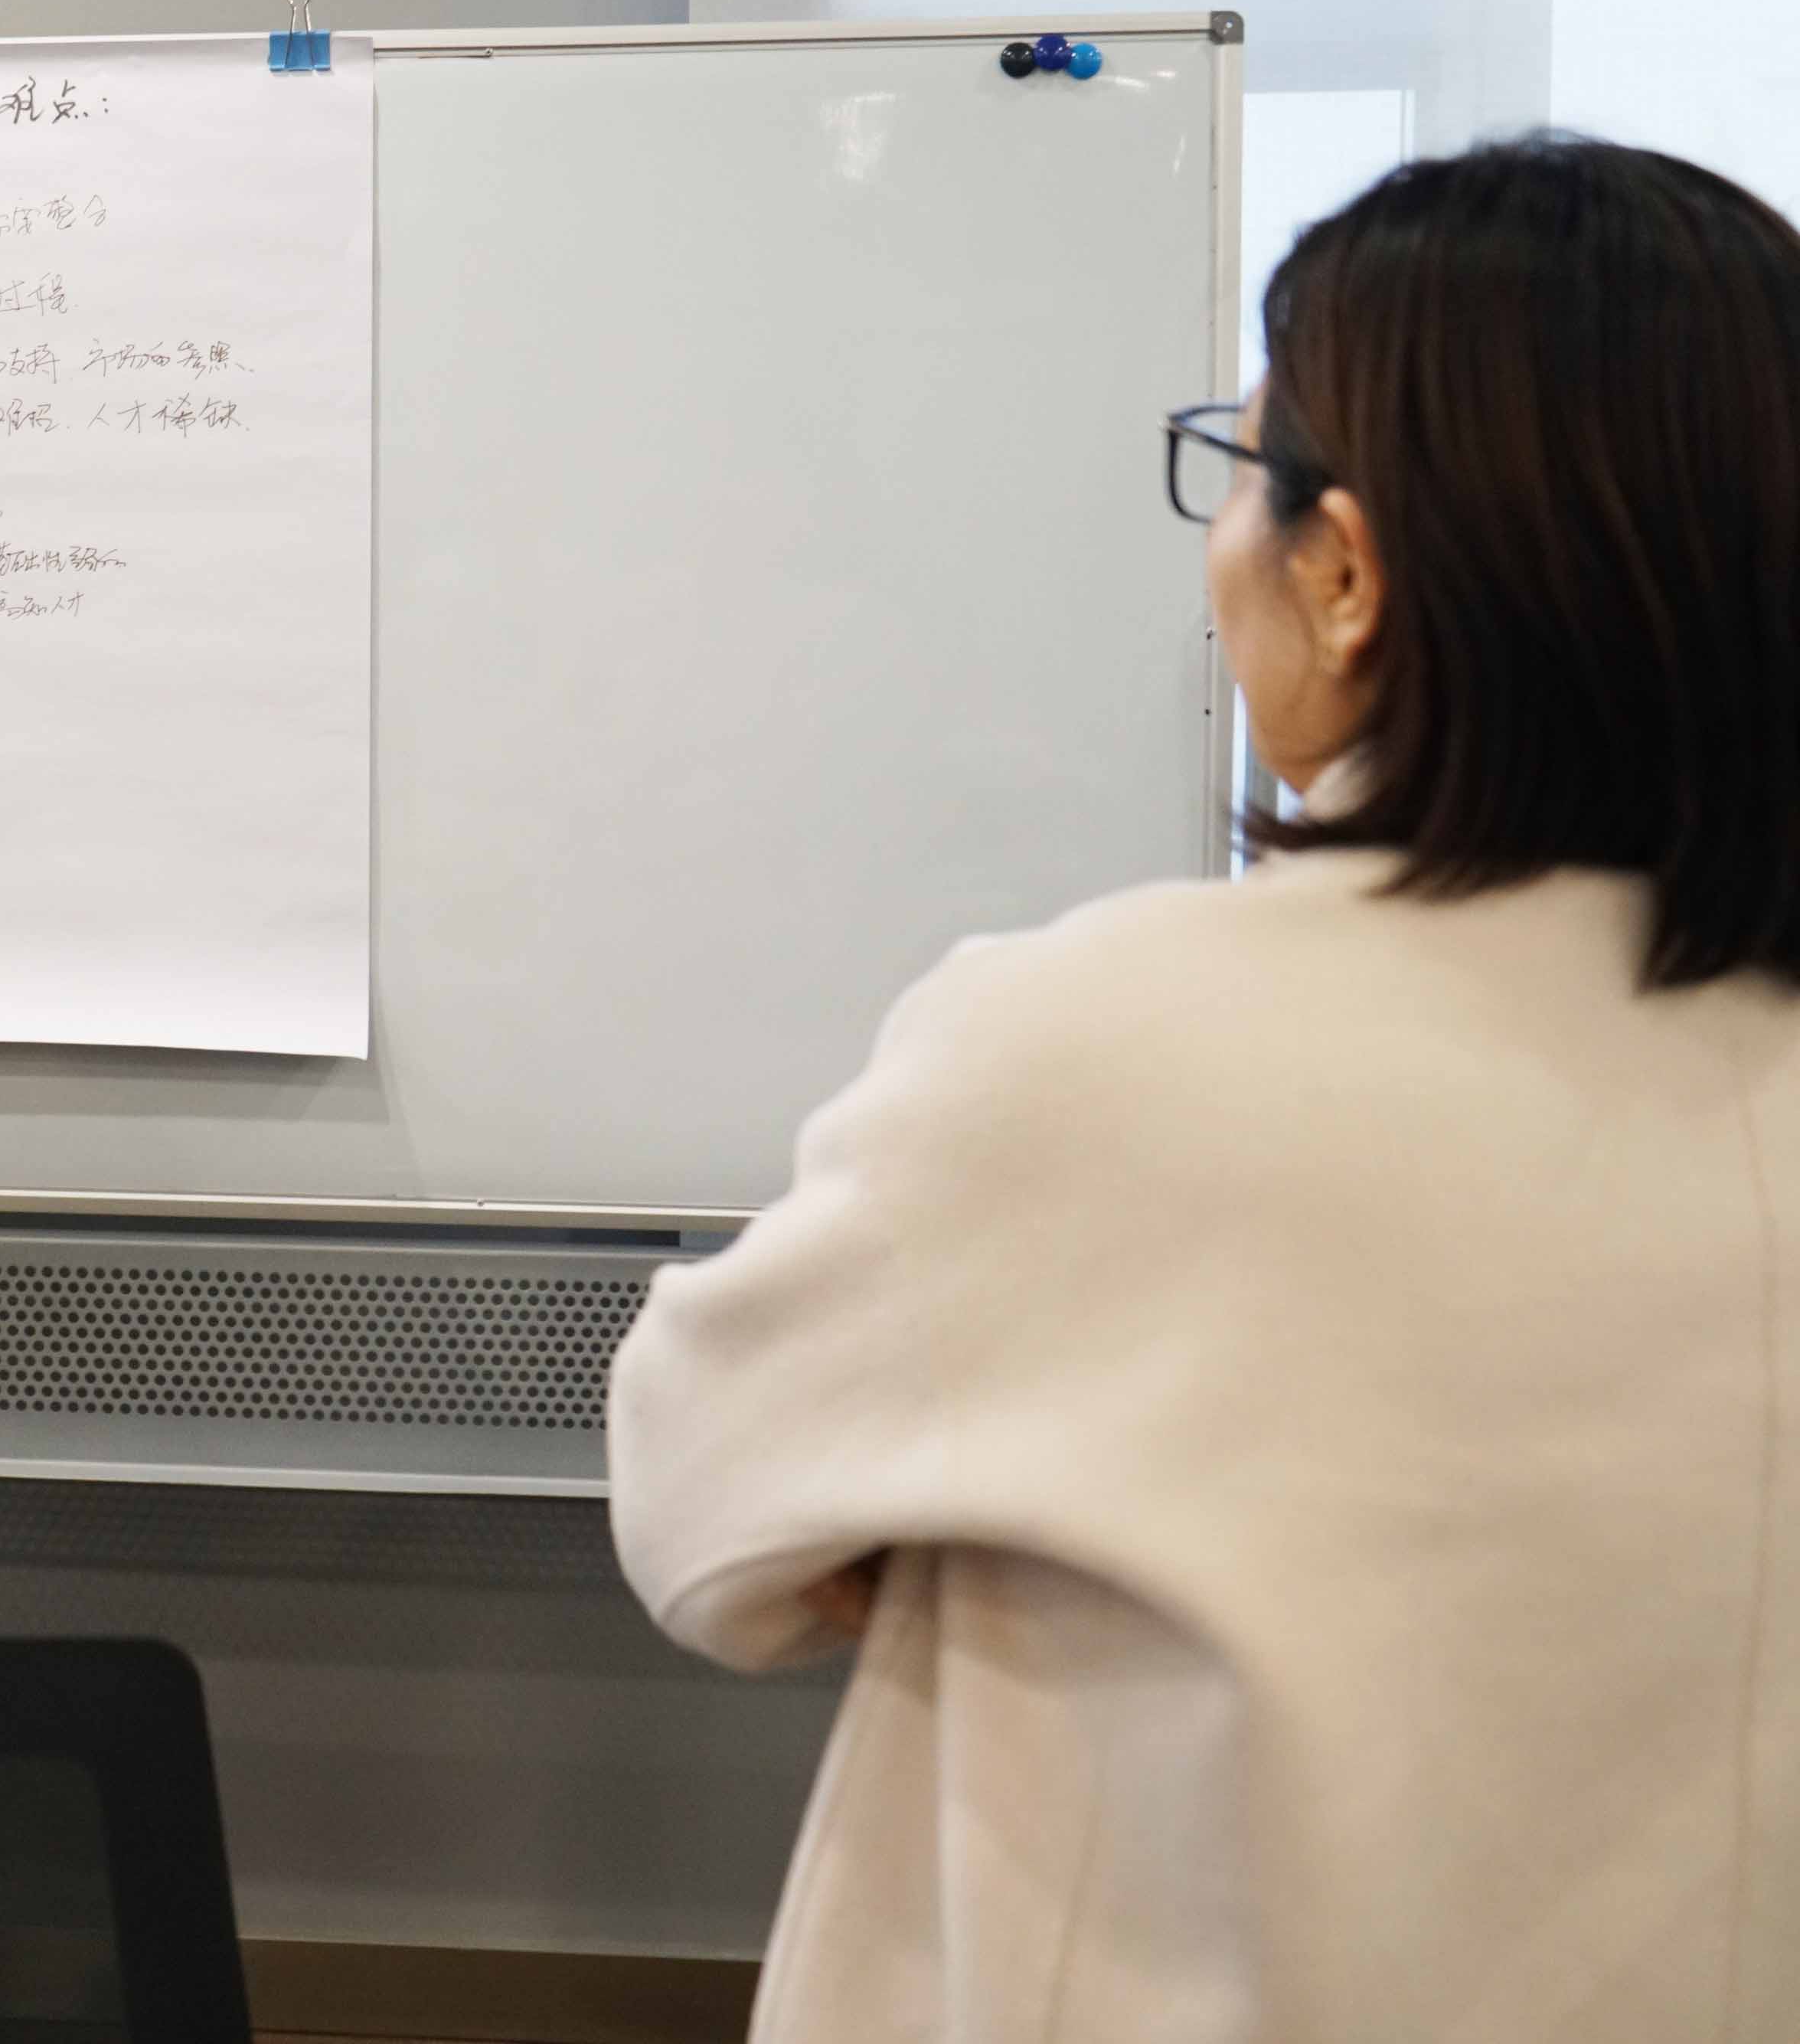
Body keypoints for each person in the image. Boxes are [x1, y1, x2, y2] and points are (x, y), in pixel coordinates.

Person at [608, 136, 1800, 2040]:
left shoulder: (1105, 1042)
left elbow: (702, 1495)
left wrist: (959, 1506)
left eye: (1237, 471)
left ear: (1344, 572)